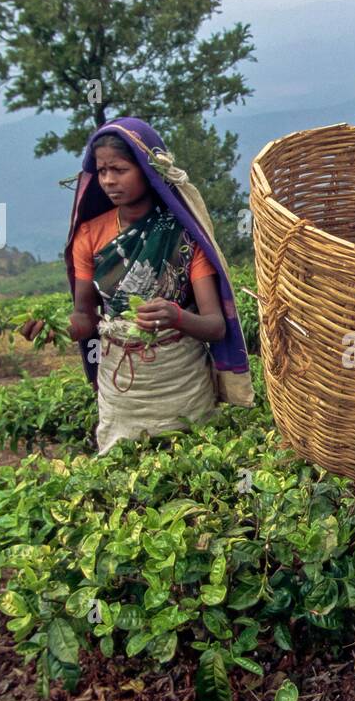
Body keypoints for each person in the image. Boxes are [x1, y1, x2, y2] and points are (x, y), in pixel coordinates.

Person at [20, 117, 254, 453]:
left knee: (188, 463)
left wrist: (176, 317)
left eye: (119, 169)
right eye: (102, 171)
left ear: (147, 171)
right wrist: (54, 328)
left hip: (180, 381)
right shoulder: (89, 235)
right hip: (122, 387)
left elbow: (215, 326)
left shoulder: (184, 236)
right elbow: (86, 318)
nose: (109, 180)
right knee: (124, 471)